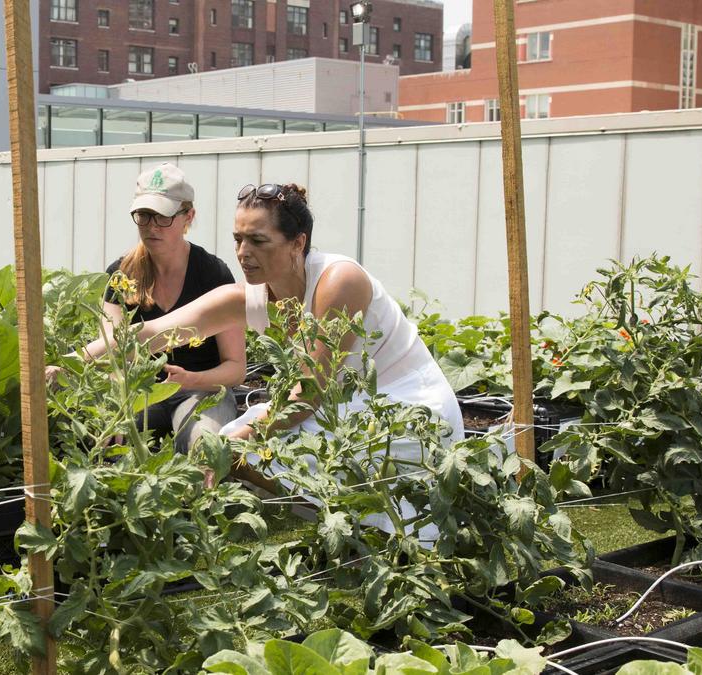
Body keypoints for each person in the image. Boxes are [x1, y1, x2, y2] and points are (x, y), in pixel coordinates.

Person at [70, 182, 463, 537]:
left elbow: (307, 394)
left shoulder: (339, 281)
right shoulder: (260, 293)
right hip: (346, 407)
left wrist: (232, 445)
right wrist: (67, 364)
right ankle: (331, 531)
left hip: (408, 412)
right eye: (238, 239)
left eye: (258, 241)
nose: (243, 253)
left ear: (297, 243)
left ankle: (356, 534)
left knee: (234, 448)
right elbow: (150, 334)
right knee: (237, 449)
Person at [51, 163, 246, 454]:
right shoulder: (122, 274)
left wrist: (193, 379)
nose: (152, 226)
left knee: (205, 446)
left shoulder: (213, 274)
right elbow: (114, 354)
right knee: (106, 438)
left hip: (202, 390)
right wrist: (118, 406)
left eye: (163, 216)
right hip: (141, 391)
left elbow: (236, 368)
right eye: (144, 216)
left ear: (188, 216)